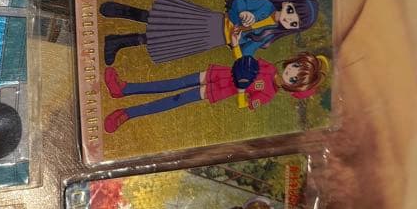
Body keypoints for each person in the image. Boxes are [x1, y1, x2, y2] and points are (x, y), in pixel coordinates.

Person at [100, 0, 319, 67]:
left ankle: (119, 41)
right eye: (291, 11)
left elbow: (244, 54)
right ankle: (121, 10)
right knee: (166, 20)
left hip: (210, 40)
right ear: (287, 2)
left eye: (293, 24)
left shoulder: (267, 36)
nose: (288, 19)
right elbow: (238, 3)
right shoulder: (265, 5)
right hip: (209, 22)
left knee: (169, 39)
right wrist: (243, 13)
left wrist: (236, 46)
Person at [103, 52, 329, 133]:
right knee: (174, 83)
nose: (290, 72)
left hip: (219, 90)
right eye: (296, 67)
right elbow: (244, 61)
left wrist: (242, 88)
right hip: (217, 74)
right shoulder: (269, 67)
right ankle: (125, 88)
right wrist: (237, 45)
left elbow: (248, 104)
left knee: (175, 99)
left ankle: (127, 114)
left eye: (294, 79)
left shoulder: (268, 94)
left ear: (292, 87)